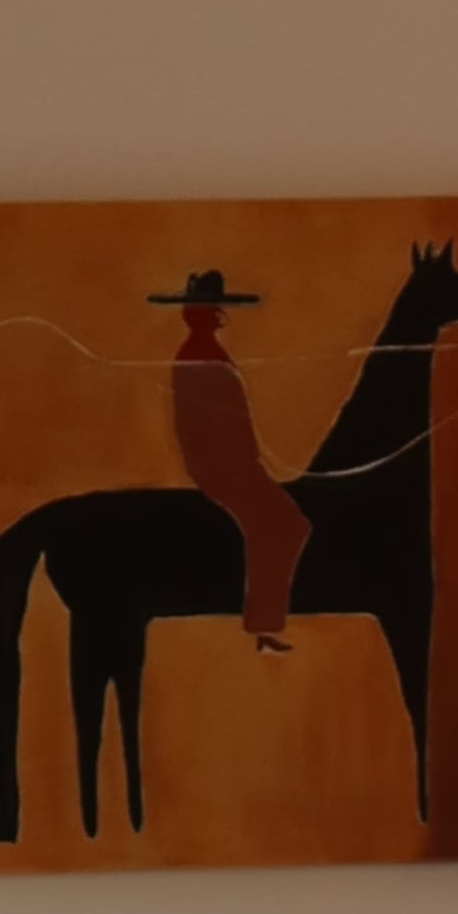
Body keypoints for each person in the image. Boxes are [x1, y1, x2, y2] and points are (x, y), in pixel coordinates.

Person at [151, 269, 310, 649]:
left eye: (214, 309)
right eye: (208, 309)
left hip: (231, 462)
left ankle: (264, 619)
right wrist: (243, 458)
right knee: (284, 524)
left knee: (286, 522)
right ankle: (263, 623)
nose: (215, 315)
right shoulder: (198, 357)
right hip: (222, 466)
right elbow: (205, 425)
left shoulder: (203, 353)